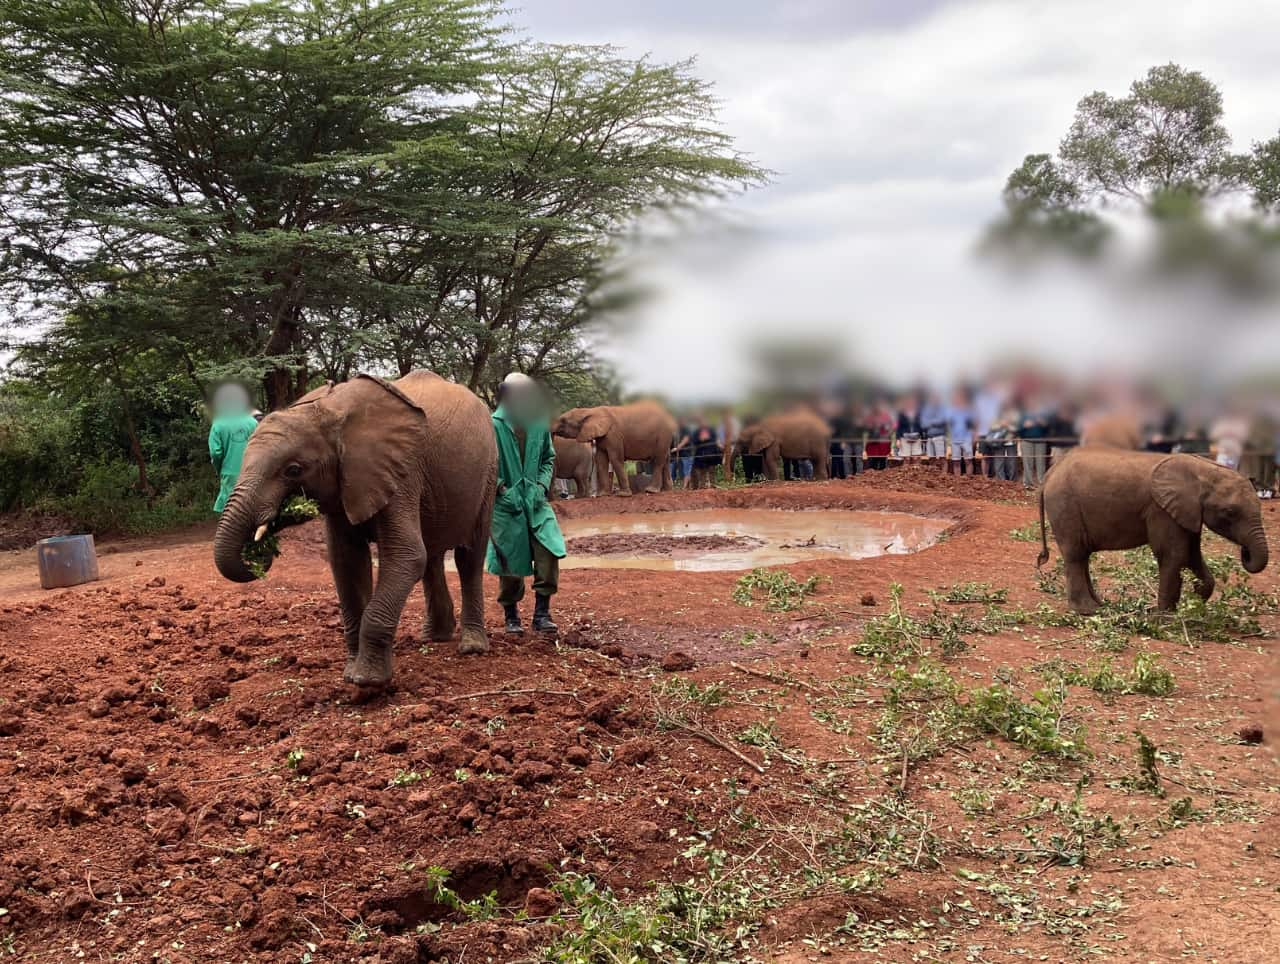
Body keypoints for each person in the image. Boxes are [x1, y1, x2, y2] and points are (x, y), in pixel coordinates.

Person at [487, 373, 566, 635]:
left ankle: (542, 614)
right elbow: (484, 463)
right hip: (505, 505)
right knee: (509, 564)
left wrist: (541, 486)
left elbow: (547, 458)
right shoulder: (493, 425)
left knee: (548, 553)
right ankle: (511, 616)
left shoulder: (538, 423)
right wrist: (501, 488)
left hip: (535, 501)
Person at [208, 383, 259, 514]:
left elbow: (215, 453)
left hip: (229, 473)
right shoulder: (253, 423)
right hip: (252, 473)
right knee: (250, 507)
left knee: (230, 510)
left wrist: (220, 469)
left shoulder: (218, 423)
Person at [1018, 399, 1049, 488]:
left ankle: (1041, 483)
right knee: (1027, 463)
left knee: (1040, 462)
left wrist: (1043, 424)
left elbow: (1049, 429)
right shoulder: (1023, 415)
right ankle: (1027, 484)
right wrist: (1024, 426)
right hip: (1026, 441)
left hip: (1040, 441)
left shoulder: (1043, 414)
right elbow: (1018, 429)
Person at [945, 388, 976, 475]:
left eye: (960, 397)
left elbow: (973, 423)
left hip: (966, 438)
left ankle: (969, 479)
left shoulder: (969, 410)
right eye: (956, 398)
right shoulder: (950, 410)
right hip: (955, 439)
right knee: (956, 461)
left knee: (968, 460)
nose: (958, 399)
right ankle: (957, 482)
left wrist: (973, 436)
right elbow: (948, 423)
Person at [920, 392, 948, 465]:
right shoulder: (926, 409)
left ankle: (944, 475)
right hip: (929, 437)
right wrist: (935, 421)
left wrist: (930, 422)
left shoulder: (943, 408)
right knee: (931, 458)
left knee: (942, 458)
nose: (934, 400)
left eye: (936, 398)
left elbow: (942, 420)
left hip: (940, 436)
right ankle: (934, 475)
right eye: (932, 398)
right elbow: (923, 424)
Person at [895, 393, 924, 463]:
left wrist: (922, 437)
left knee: (916, 457)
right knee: (906, 458)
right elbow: (899, 427)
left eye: (912, 402)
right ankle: (905, 473)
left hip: (916, 437)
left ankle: (917, 473)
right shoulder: (901, 413)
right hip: (904, 437)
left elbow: (922, 426)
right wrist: (898, 439)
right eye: (909, 402)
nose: (910, 403)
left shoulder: (919, 413)